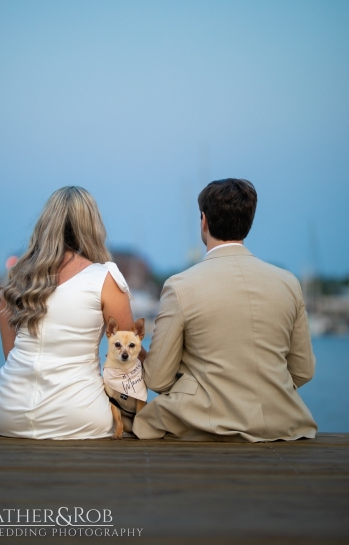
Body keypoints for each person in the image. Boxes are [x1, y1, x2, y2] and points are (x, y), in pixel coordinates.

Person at [133, 178, 317, 442]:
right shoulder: (288, 283)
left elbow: (158, 379)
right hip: (283, 425)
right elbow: (303, 371)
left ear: (204, 221)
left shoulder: (180, 285)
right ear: (248, 222)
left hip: (204, 425)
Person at [0, 186, 140, 439]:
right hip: (78, 416)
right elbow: (127, 362)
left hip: (7, 413)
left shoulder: (15, 280)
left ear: (45, 225)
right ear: (92, 226)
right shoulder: (105, 278)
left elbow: (11, 355)